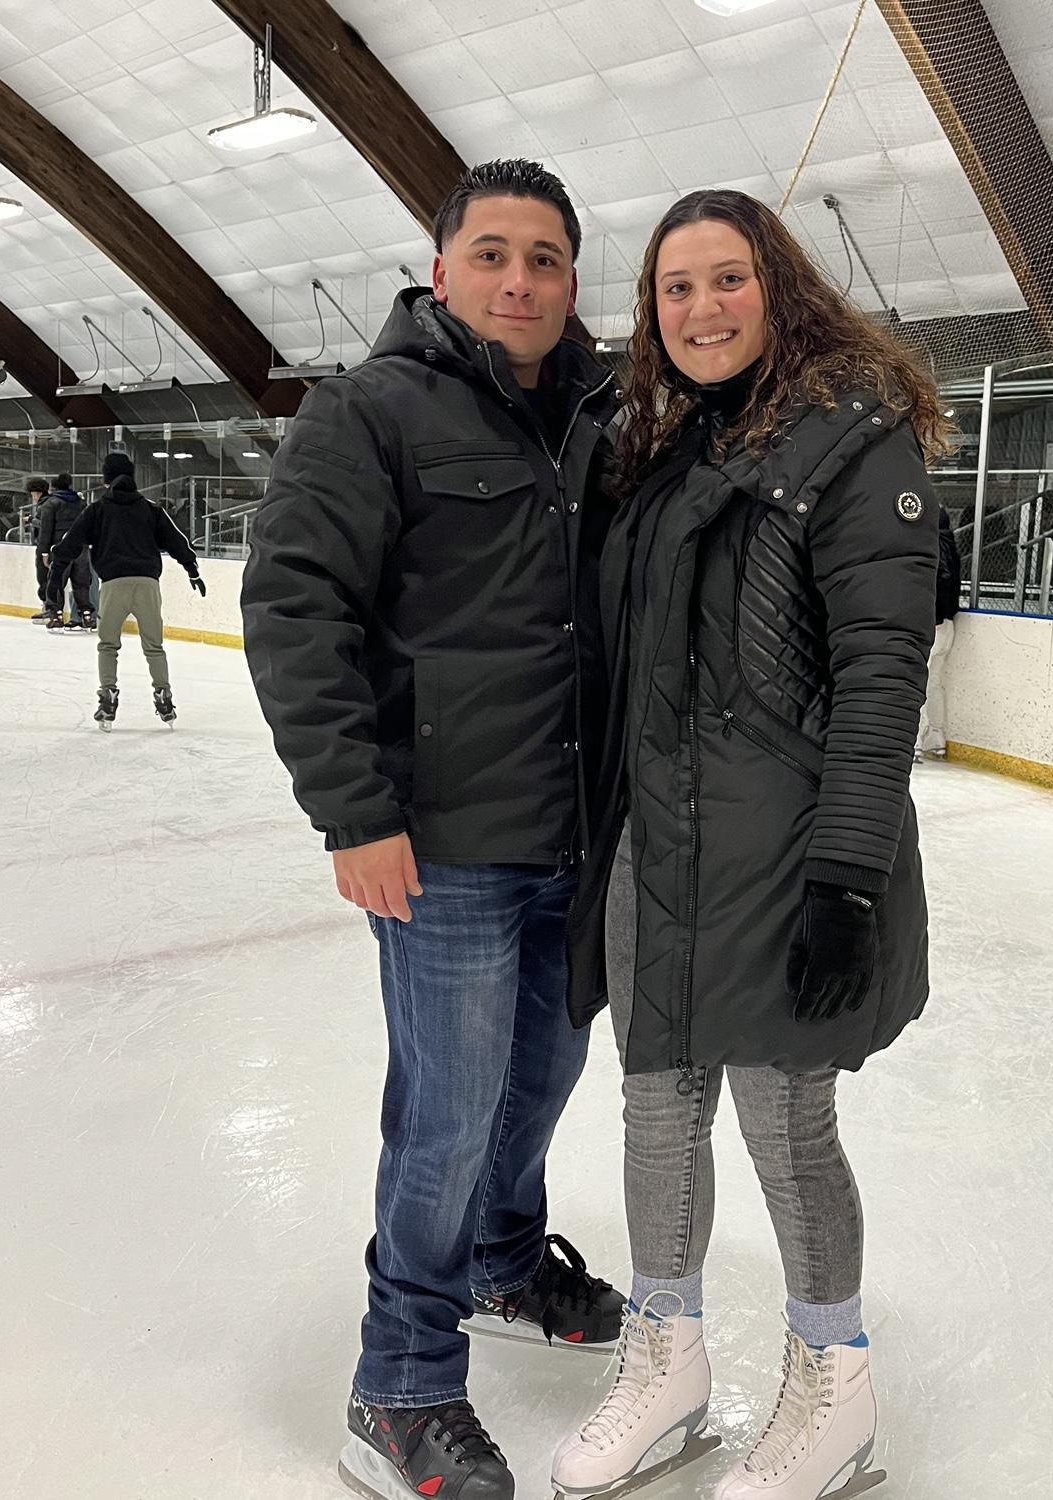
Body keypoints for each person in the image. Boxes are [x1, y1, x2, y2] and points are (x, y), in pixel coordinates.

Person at [241, 158, 625, 1500]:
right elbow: (295, 608)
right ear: (441, 268)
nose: (521, 280)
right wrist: (353, 809)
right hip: (444, 843)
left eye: (546, 259)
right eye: (495, 254)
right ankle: (398, 1384)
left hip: (572, 834)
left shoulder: (598, 417)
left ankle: (503, 1262)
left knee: (541, 1084)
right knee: (447, 1119)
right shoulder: (368, 412)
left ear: (571, 281)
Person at [552, 189, 941, 1500]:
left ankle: (835, 1388)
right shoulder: (668, 453)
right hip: (657, 846)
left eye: (728, 279)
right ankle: (667, 1365)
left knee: (785, 1122)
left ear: (779, 288)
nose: (702, 307)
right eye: (676, 287)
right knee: (657, 1110)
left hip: (785, 852)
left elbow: (883, 677)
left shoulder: (855, 443)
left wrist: (846, 879)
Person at [49, 452, 203, 730]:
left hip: (113, 585)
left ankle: (108, 697)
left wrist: (55, 574)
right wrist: (191, 568)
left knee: (108, 645)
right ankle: (164, 696)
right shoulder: (151, 509)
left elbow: (70, 543)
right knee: (154, 646)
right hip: (147, 585)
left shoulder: (97, 510)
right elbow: (176, 540)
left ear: (106, 480)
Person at [916, 506, 961, 760]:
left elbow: (941, 580)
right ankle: (936, 737)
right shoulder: (950, 545)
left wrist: (933, 616)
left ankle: (915, 740)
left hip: (934, 624)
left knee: (920, 680)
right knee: (934, 683)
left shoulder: (935, 545)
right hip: (947, 625)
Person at [37, 472, 95, 630]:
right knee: (82, 583)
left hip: (60, 548)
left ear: (54, 487)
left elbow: (45, 530)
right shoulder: (81, 503)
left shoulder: (50, 504)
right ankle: (87, 615)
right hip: (80, 548)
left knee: (56, 583)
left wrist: (44, 552)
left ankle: (57, 615)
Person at [26, 477, 52, 619]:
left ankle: (48, 607)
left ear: (38, 493)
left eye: (33, 494)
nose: (33, 497)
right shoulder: (47, 503)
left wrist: (31, 520)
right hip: (46, 544)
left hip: (44, 545)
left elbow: (44, 524)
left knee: (44, 577)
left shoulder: (44, 506)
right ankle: (49, 606)